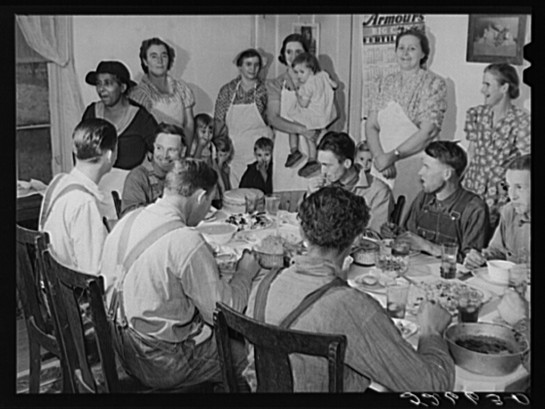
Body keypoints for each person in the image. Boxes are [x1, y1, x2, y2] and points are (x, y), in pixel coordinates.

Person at [243, 186, 455, 392]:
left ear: (302, 231)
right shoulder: (353, 307)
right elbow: (430, 386)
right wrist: (431, 332)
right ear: (357, 239)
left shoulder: (264, 284)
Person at [101, 159, 260, 390]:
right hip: (160, 362)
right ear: (200, 197)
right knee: (253, 358)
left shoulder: (129, 218)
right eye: (210, 202)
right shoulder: (186, 240)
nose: (208, 209)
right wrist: (245, 272)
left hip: (120, 348)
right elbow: (225, 312)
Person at [365, 28, 447, 216]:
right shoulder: (383, 82)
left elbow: (427, 132)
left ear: (423, 53)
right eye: (401, 48)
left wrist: (392, 156)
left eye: (411, 48)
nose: (405, 53)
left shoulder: (433, 84)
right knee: (377, 219)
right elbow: (371, 125)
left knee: (405, 220)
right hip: (381, 166)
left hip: (414, 165)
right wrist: (380, 158)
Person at [383, 141, 490, 262]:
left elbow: (471, 262)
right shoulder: (423, 198)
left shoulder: (474, 208)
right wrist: (397, 233)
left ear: (447, 174)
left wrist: (428, 247)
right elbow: (411, 236)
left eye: (427, 167)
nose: (420, 172)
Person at [39, 118, 118, 275]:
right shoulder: (84, 202)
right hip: (73, 294)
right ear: (109, 155)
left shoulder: (58, 181)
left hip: (53, 284)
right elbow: (94, 272)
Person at [82, 60, 158, 215]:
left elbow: (160, 153)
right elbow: (80, 150)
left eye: (108, 83)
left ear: (123, 87)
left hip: (129, 193)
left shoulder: (141, 118)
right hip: (94, 190)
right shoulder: (92, 113)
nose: (101, 89)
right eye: (99, 84)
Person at [461, 63, 530, 229]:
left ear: (504, 87)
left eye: (487, 85)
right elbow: (471, 153)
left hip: (499, 195)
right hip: (472, 188)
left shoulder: (520, 121)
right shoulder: (476, 114)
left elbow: (525, 163)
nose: (482, 90)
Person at [267, 34, 322, 197]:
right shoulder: (276, 84)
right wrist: (302, 129)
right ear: (283, 55)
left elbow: (333, 113)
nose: (293, 56)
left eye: (298, 51)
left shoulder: (317, 80)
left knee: (312, 197)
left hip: (313, 145)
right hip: (286, 148)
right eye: (288, 52)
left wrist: (316, 127)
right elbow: (273, 118)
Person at [214, 48, 273, 188]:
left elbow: (273, 120)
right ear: (240, 66)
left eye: (256, 64)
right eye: (248, 64)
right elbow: (219, 122)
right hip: (236, 155)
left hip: (261, 155)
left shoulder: (266, 90)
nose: (253, 69)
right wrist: (219, 153)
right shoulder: (227, 91)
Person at [464, 154, 530, 269]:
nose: (512, 196)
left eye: (519, 187)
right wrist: (481, 258)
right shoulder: (509, 211)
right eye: (508, 187)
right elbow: (497, 251)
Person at [306, 132, 382, 232]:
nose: (323, 171)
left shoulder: (378, 191)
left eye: (327, 165)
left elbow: (377, 236)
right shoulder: (325, 184)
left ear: (347, 163)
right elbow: (305, 223)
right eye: (321, 165)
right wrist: (311, 196)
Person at [129, 37, 196, 150]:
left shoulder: (181, 88)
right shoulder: (139, 94)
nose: (160, 61)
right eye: (154, 56)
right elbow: (138, 132)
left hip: (178, 151)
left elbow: (189, 124)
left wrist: (185, 150)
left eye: (164, 56)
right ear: (145, 61)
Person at [284, 52, 338, 177]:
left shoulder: (308, 86)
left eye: (301, 72)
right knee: (310, 138)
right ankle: (312, 159)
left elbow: (303, 104)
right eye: (296, 72)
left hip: (313, 116)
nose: (298, 76)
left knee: (292, 123)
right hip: (324, 114)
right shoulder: (323, 75)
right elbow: (335, 85)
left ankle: (294, 150)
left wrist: (298, 94)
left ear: (311, 69)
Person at [120, 123, 185, 217]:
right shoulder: (138, 177)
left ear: (183, 152)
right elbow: (131, 217)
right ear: (153, 148)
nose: (165, 155)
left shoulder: (185, 176)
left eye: (171, 150)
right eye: (159, 148)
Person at [354, 141, 394, 233]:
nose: (364, 164)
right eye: (361, 159)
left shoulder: (379, 189)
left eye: (369, 160)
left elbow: (378, 226)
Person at [210, 136, 233, 209]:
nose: (223, 158)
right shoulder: (212, 166)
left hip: (223, 199)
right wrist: (219, 164)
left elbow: (227, 188)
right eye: (220, 155)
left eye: (225, 155)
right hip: (215, 200)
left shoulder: (226, 168)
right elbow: (218, 183)